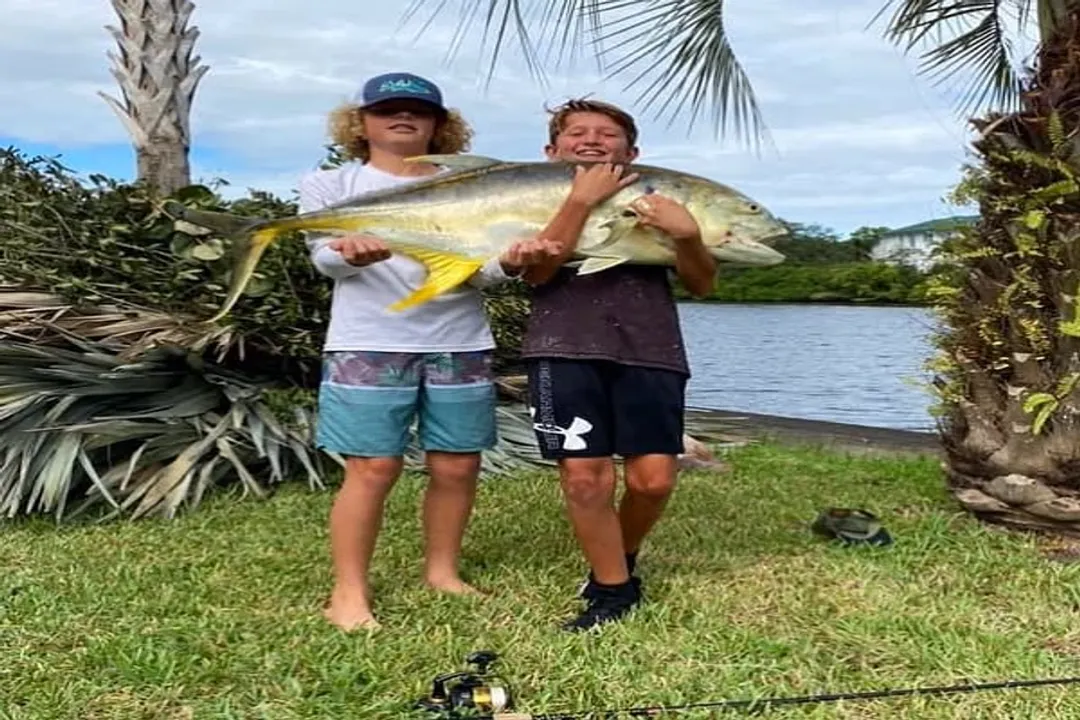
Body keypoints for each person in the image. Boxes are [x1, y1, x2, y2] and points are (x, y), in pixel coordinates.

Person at [299, 72, 557, 631]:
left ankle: (442, 573)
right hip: (367, 342)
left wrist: (511, 264)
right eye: (387, 109)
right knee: (372, 468)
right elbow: (323, 258)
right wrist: (350, 255)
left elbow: (481, 270)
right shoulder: (330, 186)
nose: (403, 118)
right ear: (361, 122)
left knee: (458, 466)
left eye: (418, 110)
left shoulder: (475, 185)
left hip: (460, 340)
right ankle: (347, 593)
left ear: (439, 124)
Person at [520, 98, 718, 632]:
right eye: (576, 132)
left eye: (606, 134)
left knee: (654, 481)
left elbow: (702, 282)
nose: (590, 140)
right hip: (561, 346)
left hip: (650, 347)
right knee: (586, 479)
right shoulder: (526, 200)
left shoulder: (664, 200)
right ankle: (613, 590)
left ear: (632, 152)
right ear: (551, 150)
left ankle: (619, 558)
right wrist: (580, 201)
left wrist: (687, 235)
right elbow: (537, 275)